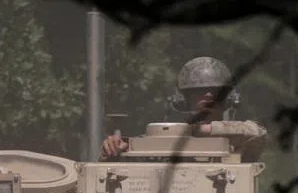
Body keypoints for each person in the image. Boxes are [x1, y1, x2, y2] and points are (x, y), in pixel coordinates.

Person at [100, 56, 268, 162]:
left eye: (216, 91)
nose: (208, 95)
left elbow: (258, 132)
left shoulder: (239, 139)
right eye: (199, 91)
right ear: (184, 98)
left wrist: (204, 130)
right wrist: (113, 150)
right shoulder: (166, 138)